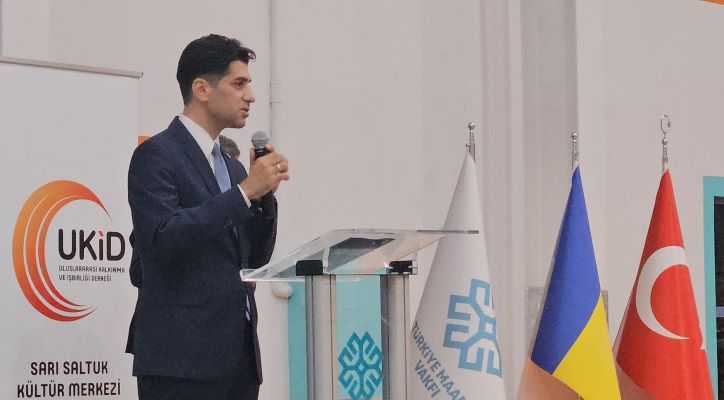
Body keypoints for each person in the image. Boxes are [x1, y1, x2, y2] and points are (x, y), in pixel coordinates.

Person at [126, 34, 289, 400]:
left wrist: (262, 197)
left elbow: (253, 260)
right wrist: (244, 193)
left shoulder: (232, 168)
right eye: (239, 83)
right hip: (181, 361)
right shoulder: (156, 155)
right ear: (201, 88)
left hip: (239, 359)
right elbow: (162, 240)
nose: (251, 96)